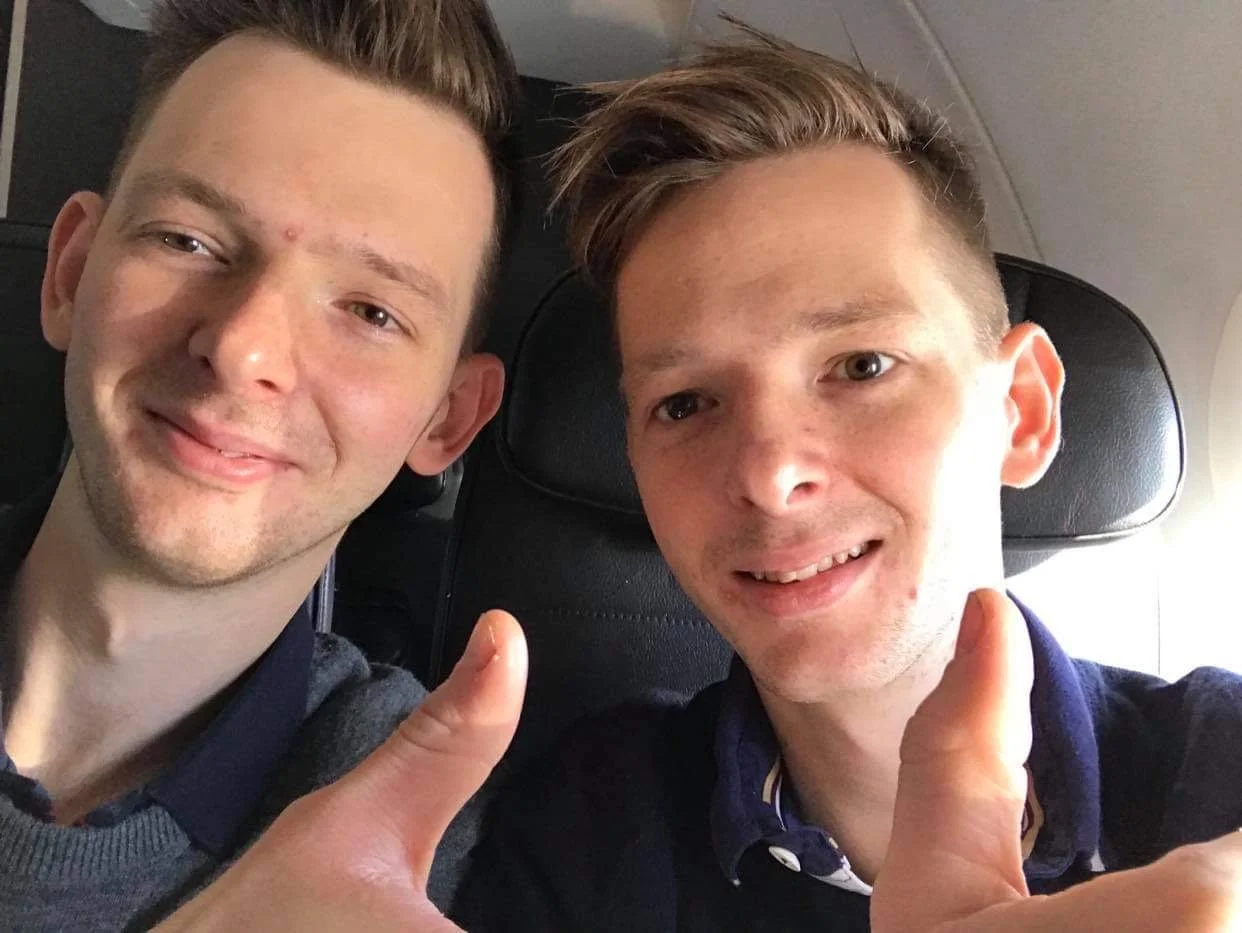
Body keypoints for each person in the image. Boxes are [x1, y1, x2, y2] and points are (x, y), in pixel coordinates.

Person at [452, 24, 1242, 932]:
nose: (770, 472)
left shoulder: (1217, 771)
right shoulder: (577, 835)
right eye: (686, 404)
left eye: (861, 366)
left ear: (1020, 410)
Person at [0, 0, 521, 928]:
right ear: (70, 276)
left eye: (370, 312)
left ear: (446, 419)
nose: (243, 348)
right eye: (187, 240)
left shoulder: (433, 853)